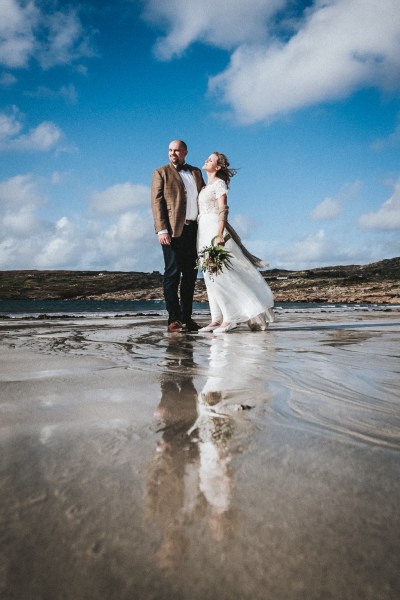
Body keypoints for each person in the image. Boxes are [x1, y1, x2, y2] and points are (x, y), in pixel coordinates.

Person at [197, 152, 274, 333]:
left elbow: (223, 209)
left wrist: (220, 234)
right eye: (207, 158)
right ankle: (216, 318)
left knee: (222, 273)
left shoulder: (219, 184)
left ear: (217, 167)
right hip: (202, 230)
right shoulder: (204, 186)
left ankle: (230, 318)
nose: (206, 160)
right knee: (209, 275)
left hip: (215, 229)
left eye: (211, 159)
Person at [152, 140, 205, 333]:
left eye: (176, 150)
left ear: (185, 152)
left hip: (195, 231)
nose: (172, 153)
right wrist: (162, 230)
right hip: (172, 232)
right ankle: (173, 319)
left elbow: (205, 197)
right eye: (170, 150)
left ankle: (186, 318)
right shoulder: (161, 173)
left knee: (190, 276)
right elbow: (156, 202)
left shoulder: (196, 172)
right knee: (172, 274)